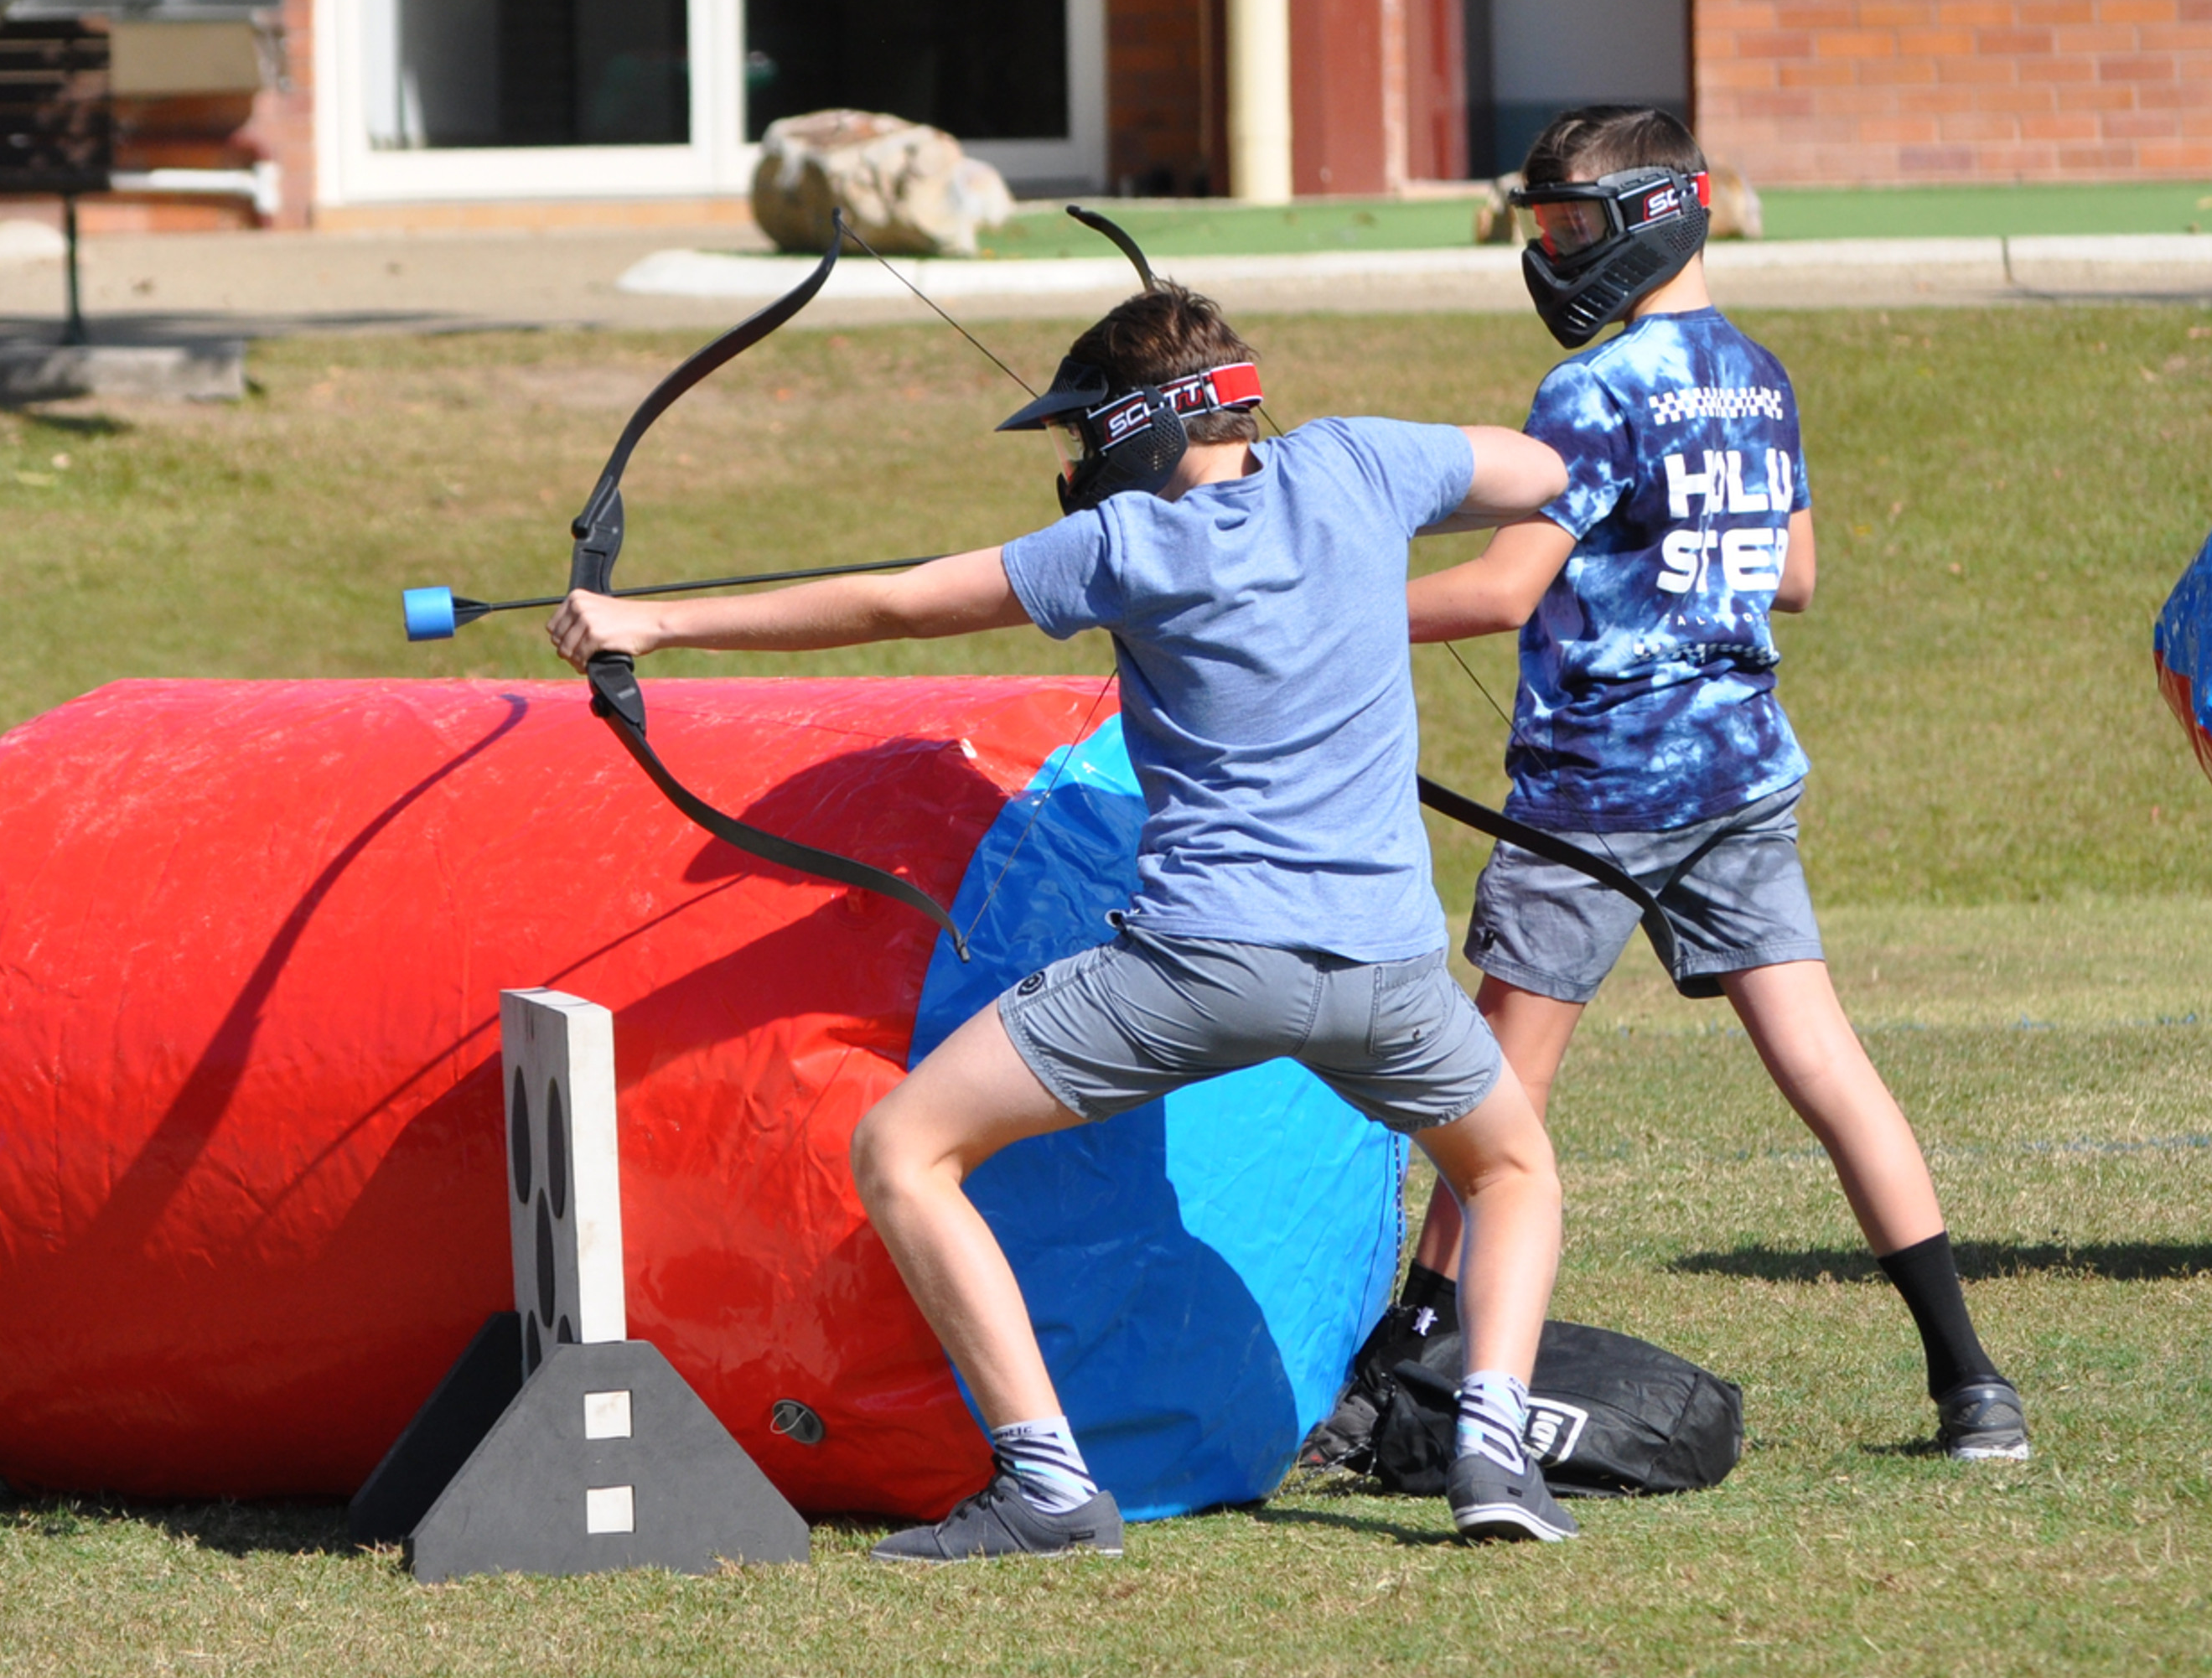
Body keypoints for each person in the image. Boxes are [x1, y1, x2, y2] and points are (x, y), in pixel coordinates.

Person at [549, 278, 1584, 1558]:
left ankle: (1046, 1482)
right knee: (1511, 1167)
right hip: (1387, 971)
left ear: (1145, 427)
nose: (1077, 466)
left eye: (1084, 436)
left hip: (1201, 967)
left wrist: (651, 618)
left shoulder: (1124, 549)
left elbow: (892, 602)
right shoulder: (1362, 464)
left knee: (904, 1149)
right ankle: (1493, 1453)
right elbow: (1540, 467)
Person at [1392, 103, 2029, 1463]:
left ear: (1646, 219)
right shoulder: (1757, 373)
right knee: (1826, 1069)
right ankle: (1971, 1383)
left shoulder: (1591, 389)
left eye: (1570, 228)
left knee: (1494, 1094)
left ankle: (1393, 1368)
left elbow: (1507, 585)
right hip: (1739, 775)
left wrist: (1320, 606)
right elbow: (1791, 573)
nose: (1551, 255)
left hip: (1590, 796)